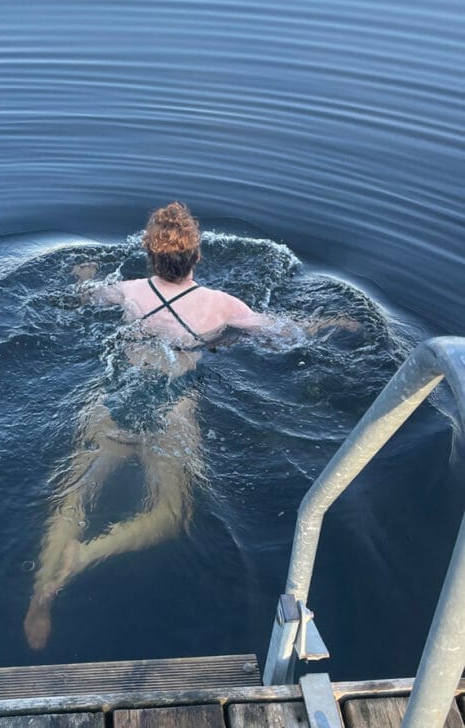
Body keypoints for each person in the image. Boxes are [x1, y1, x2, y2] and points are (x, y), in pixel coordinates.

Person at [23, 202, 355, 648]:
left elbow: (83, 298)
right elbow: (285, 332)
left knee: (74, 494)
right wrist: (331, 322)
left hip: (112, 401)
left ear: (148, 253)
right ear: (198, 257)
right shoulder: (223, 306)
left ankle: (43, 590)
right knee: (170, 514)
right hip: (175, 414)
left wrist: (84, 275)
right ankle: (85, 557)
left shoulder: (129, 291)